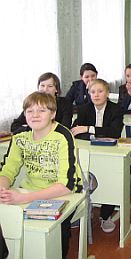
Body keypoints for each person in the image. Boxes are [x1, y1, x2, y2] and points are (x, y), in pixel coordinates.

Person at [0, 91, 82, 259]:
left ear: (53, 114)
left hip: (65, 194)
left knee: (56, 231)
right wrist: (2, 189)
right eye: (30, 111)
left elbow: (66, 185)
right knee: (8, 223)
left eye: (41, 111)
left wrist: (26, 198)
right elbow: (8, 170)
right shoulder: (19, 138)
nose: (35, 115)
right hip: (29, 192)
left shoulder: (63, 136)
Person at [71, 79, 123, 233]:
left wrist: (89, 128)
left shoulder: (116, 109)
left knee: (109, 179)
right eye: (93, 92)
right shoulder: (84, 109)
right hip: (90, 150)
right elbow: (76, 131)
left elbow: (114, 132)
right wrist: (92, 130)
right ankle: (81, 210)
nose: (96, 95)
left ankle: (105, 215)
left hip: (111, 152)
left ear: (107, 93)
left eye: (100, 91)